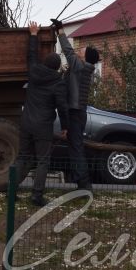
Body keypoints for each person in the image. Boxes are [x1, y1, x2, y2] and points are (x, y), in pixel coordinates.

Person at [13, 21, 69, 207]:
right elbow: (62, 107)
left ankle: (11, 191)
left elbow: (31, 55)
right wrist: (65, 127)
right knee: (43, 161)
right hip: (43, 126)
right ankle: (36, 195)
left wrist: (34, 34)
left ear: (45, 64)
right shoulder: (58, 82)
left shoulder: (35, 72)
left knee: (21, 157)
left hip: (26, 122)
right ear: (56, 67)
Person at [52, 18, 99, 192]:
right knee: (75, 147)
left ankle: (84, 184)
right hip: (79, 113)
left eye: (83, 50)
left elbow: (67, 50)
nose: (79, 50)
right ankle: (80, 181)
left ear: (86, 57)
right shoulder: (85, 69)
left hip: (74, 113)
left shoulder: (79, 67)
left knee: (76, 148)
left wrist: (60, 31)